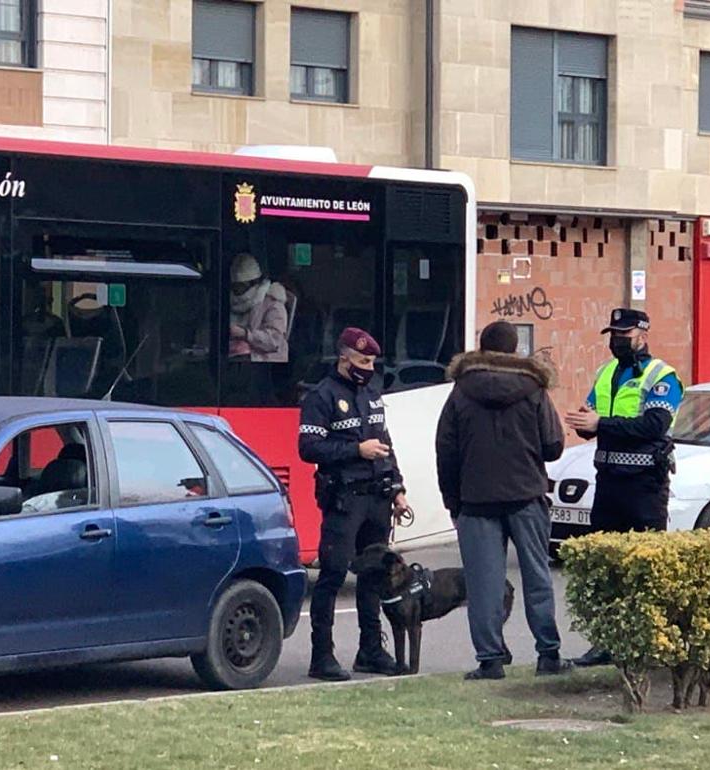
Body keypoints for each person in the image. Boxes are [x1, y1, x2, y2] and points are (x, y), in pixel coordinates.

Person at [436, 321, 573, 681]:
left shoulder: (461, 391)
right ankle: (548, 653)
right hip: (526, 496)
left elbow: (445, 450)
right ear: (515, 350)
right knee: (537, 576)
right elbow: (554, 446)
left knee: (484, 583)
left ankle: (490, 660)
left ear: (481, 349)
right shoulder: (534, 389)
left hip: (476, 500)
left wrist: (454, 501)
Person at [563, 308, 684, 668]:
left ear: (643, 335)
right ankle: (605, 643)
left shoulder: (662, 376)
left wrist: (602, 423)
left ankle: (648, 644)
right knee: (606, 570)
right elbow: (596, 421)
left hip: (645, 488)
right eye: (613, 334)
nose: (617, 340)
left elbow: (653, 424)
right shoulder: (606, 373)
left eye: (624, 334)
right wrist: (586, 423)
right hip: (609, 484)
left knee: (645, 570)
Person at [299, 327, 410, 681]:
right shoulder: (322, 396)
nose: (369, 367)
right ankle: (322, 656)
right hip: (345, 499)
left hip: (378, 497)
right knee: (332, 576)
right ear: (344, 358)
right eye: (363, 360)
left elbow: (385, 443)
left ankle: (371, 651)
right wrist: (354, 450)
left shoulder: (372, 392)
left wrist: (397, 488)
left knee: (374, 578)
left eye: (373, 361)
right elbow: (308, 449)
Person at [228, 253, 290, 363]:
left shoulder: (273, 303)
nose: (237, 290)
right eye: (235, 286)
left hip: (265, 366)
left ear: (254, 283)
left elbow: (275, 341)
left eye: (241, 286)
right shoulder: (229, 302)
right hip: (233, 361)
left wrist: (245, 334)